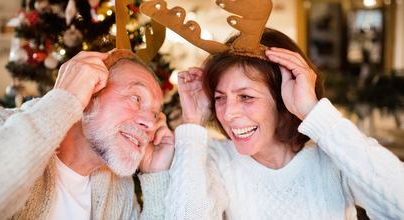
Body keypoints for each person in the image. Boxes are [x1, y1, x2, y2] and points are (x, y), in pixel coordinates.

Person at [166, 27, 404, 219]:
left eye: (246, 96)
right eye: (220, 98)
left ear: (284, 99)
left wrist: (311, 110)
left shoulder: (332, 156)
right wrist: (193, 121)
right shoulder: (216, 158)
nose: (228, 114)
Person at [0, 50, 174, 220]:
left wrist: (156, 173)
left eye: (155, 114)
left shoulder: (118, 188)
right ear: (90, 92)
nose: (150, 123)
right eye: (136, 98)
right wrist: (64, 99)